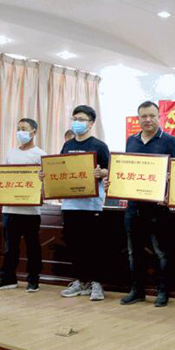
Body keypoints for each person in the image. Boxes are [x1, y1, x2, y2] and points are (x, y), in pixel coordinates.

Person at [121, 101, 175, 307]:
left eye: (152, 116)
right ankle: (137, 291)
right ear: (138, 118)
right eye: (143, 116)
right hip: (133, 207)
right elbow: (127, 170)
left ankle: (163, 292)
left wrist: (167, 193)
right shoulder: (131, 141)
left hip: (158, 208)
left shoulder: (169, 141)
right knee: (134, 252)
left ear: (159, 117)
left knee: (161, 252)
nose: (148, 120)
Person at [54, 106, 110, 301]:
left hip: (91, 205)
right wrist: (47, 175)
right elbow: (60, 169)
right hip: (70, 204)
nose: (77, 122)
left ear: (91, 123)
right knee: (74, 245)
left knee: (93, 245)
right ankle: (82, 281)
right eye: (74, 118)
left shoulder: (99, 146)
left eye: (81, 119)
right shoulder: (67, 145)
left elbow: (110, 171)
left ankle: (97, 283)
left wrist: (102, 172)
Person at [0, 119, 47, 292]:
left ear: (34, 132)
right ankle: (8, 278)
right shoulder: (11, 153)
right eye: (18, 129)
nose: (20, 132)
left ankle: (33, 280)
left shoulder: (40, 154)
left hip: (31, 211)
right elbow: (4, 177)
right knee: (10, 247)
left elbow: (46, 182)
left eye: (24, 129)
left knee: (33, 247)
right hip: (10, 209)